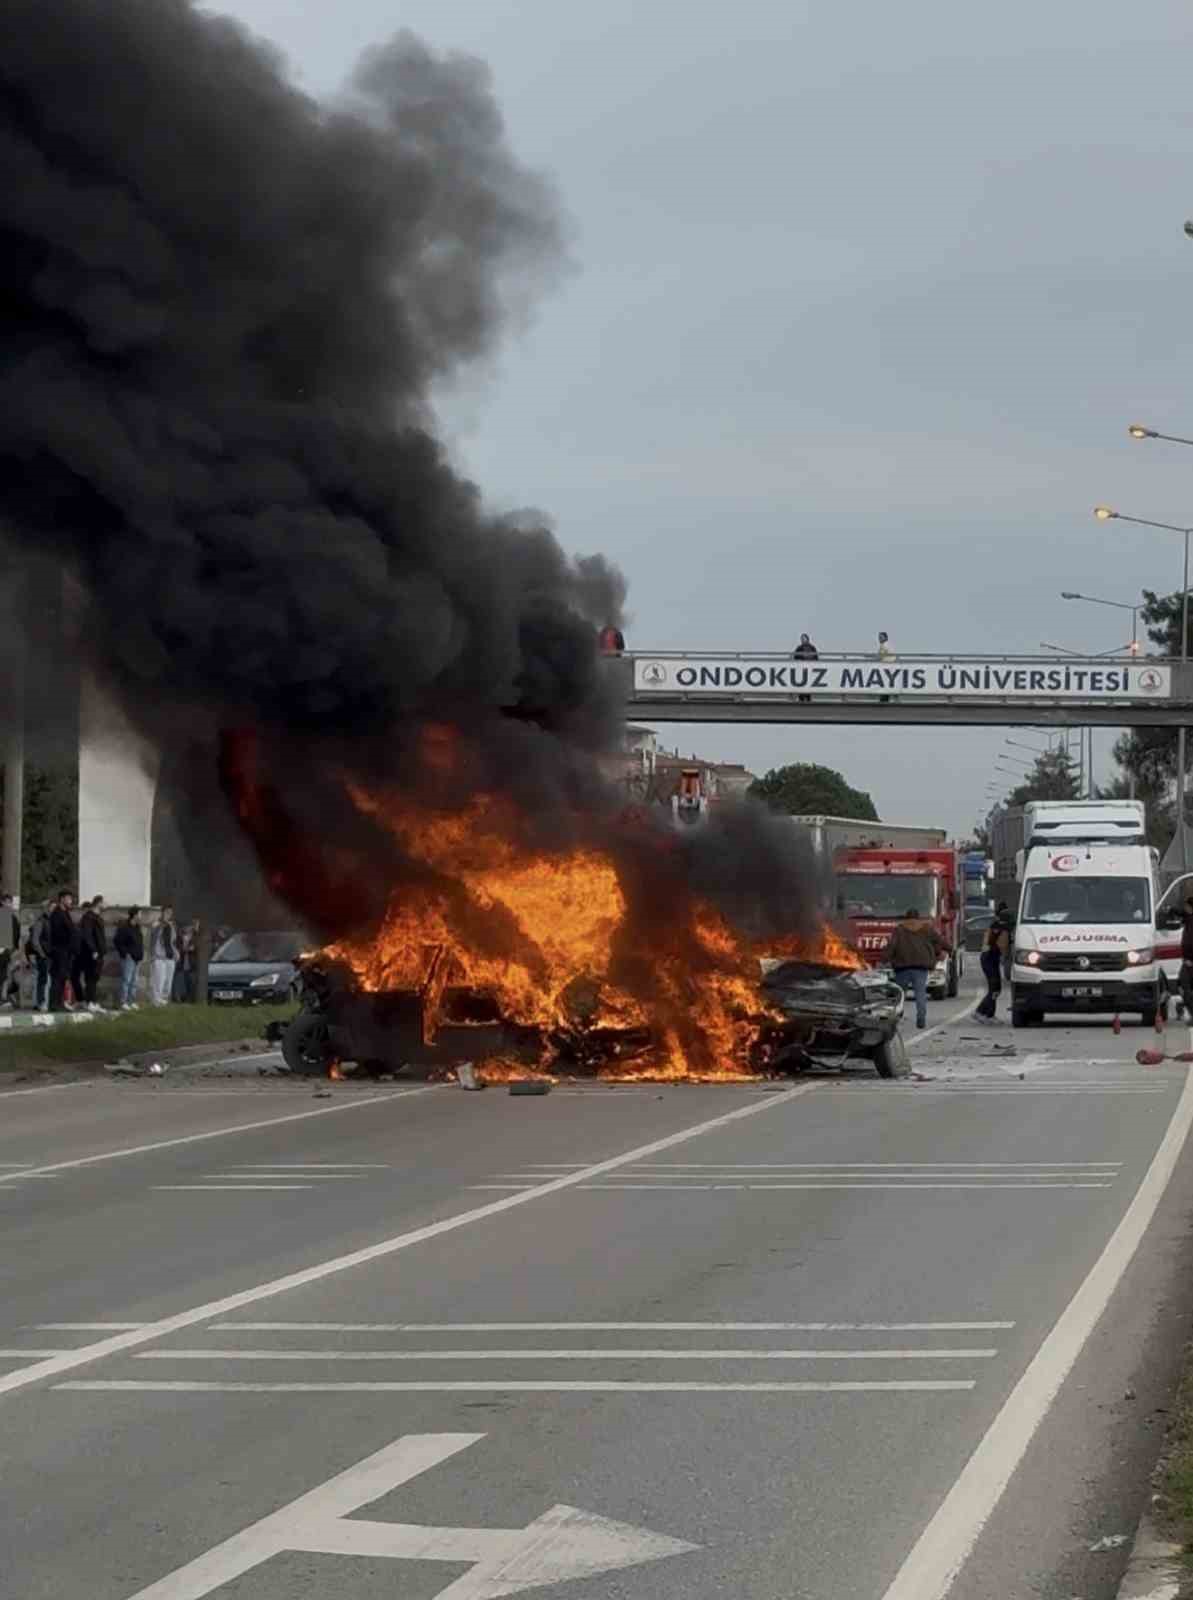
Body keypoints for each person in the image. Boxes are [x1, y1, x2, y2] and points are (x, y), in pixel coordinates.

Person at [884, 907, 946, 1030]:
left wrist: (885, 959)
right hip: (920, 968)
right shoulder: (927, 928)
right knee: (920, 994)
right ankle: (921, 1019)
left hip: (902, 967)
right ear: (918, 918)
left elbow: (892, 946)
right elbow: (940, 941)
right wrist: (948, 950)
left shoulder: (899, 929)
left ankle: (896, 1018)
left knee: (900, 995)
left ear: (906, 917)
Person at [975, 912, 1011, 1021]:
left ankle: (990, 1014)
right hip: (989, 959)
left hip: (988, 958)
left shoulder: (994, 926)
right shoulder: (1003, 929)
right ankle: (980, 1012)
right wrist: (1006, 957)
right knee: (995, 988)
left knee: (995, 989)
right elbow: (1002, 946)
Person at [76, 895, 107, 1011]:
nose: (106, 904)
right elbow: (87, 935)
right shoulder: (89, 917)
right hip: (91, 954)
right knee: (90, 978)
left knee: (94, 978)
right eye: (104, 902)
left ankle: (93, 1001)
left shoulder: (97, 917)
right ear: (98, 903)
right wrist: (93, 950)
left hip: (99, 953)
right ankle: (90, 1002)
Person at [48, 889, 78, 1012]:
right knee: (57, 977)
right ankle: (53, 1004)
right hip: (59, 950)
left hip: (66, 951)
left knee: (63, 978)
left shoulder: (65, 913)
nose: (71, 901)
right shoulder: (57, 914)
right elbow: (58, 933)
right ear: (62, 899)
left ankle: (59, 1003)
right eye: (69, 898)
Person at [26, 895, 55, 1012]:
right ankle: (41, 1002)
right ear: (47, 908)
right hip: (43, 955)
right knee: (43, 980)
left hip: (51, 955)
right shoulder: (41, 921)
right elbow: (35, 940)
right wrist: (41, 953)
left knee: (46, 980)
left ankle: (43, 1002)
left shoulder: (52, 921)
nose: (54, 910)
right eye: (52, 908)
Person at [114, 907, 145, 1010]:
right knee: (126, 980)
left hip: (137, 959)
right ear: (135, 915)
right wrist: (126, 954)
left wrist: (140, 955)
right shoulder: (124, 927)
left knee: (134, 981)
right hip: (129, 959)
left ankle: (131, 1001)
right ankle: (123, 1002)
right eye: (140, 914)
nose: (141, 916)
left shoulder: (137, 927)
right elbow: (117, 941)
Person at [149, 906, 179, 1005]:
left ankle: (163, 999)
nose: (168, 914)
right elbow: (153, 936)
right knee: (159, 980)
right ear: (162, 912)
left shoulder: (172, 925)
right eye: (167, 912)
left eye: (170, 912)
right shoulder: (156, 924)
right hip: (159, 957)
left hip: (170, 956)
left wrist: (176, 952)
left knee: (168, 981)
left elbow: (173, 941)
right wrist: (163, 923)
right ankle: (156, 1001)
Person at [0, 892, 18, 1010]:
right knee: (3, 976)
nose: (9, 904)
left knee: (5, 976)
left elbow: (15, 934)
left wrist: (14, 950)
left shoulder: (11, 916)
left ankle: (3, 997)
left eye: (10, 902)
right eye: (7, 902)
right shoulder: (4, 914)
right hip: (3, 951)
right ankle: (2, 998)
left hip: (7, 951)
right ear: (2, 902)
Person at [1178, 896, 1193, 1021]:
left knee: (1184, 987)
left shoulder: (1190, 919)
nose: (1185, 908)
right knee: (1182, 986)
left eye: (1186, 906)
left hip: (1190, 962)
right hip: (1187, 961)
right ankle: (1183, 1007)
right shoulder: (1188, 919)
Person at [792, 633, 818, 703]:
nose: (803, 640)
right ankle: (802, 698)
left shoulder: (812, 648)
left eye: (804, 639)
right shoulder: (800, 648)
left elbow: (816, 658)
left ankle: (807, 698)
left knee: (807, 685)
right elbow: (795, 658)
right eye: (802, 639)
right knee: (802, 686)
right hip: (802, 670)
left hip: (809, 670)